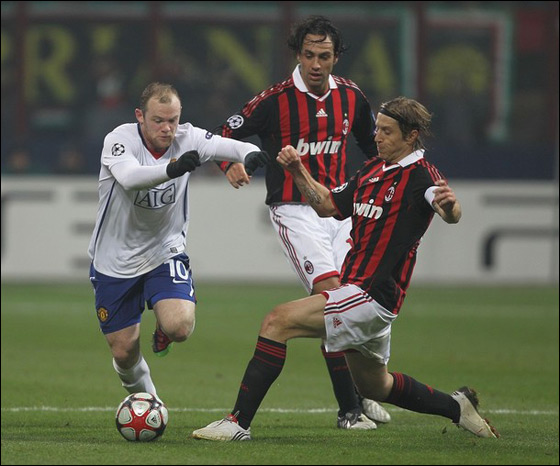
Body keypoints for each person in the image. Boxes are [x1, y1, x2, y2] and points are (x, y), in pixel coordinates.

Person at [192, 96, 499, 441]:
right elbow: (327, 206)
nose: (377, 137)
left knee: (277, 322)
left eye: (387, 131)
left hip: (371, 295)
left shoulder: (421, 176)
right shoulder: (373, 170)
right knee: (375, 385)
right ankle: (457, 408)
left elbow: (447, 210)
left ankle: (237, 424)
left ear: (411, 135)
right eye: (378, 129)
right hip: (362, 295)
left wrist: (451, 208)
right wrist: (297, 170)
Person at [214, 15, 389, 430]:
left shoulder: (352, 96)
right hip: (294, 210)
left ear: (335, 57)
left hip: (340, 210)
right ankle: (350, 409)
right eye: (309, 55)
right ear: (298, 54)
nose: (315, 64)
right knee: (331, 296)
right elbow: (223, 133)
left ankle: (364, 388)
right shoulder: (274, 100)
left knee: (353, 301)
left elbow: (373, 147)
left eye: (324, 56)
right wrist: (229, 163)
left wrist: (385, 185)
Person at [88, 82, 270, 400]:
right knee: (124, 352)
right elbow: (130, 178)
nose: (167, 128)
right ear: (140, 116)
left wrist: (250, 155)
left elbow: (233, 147)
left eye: (172, 120)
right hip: (114, 260)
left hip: (164, 250)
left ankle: (163, 332)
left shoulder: (189, 138)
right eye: (158, 120)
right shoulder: (119, 140)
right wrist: (172, 169)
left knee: (180, 327)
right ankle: (149, 400)